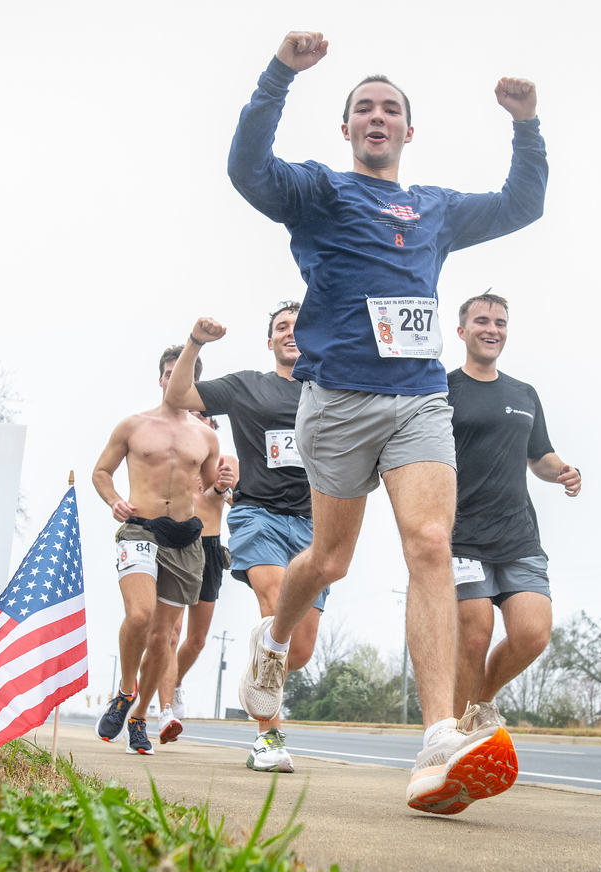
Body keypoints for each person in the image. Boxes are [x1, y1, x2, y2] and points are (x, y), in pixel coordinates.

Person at [227, 30, 548, 814]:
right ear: (346, 129)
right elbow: (247, 169)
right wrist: (279, 76)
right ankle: (272, 650)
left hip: (416, 400)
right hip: (337, 401)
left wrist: (527, 124)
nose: (378, 117)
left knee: (431, 543)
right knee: (328, 560)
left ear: (410, 130)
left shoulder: (435, 209)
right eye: (364, 108)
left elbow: (522, 204)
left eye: (391, 109)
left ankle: (438, 738)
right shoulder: (320, 191)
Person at [164, 303, 329, 773]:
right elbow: (178, 396)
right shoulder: (246, 386)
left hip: (316, 524)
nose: (291, 334)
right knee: (275, 605)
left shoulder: (334, 390)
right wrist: (195, 342)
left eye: (300, 326)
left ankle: (261, 664)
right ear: (270, 340)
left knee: (297, 650)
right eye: (281, 328)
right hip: (259, 515)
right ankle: (268, 737)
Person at [449, 293, 580, 741]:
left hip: (518, 536)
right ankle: (455, 743)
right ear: (462, 331)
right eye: (481, 320)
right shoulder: (442, 388)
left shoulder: (524, 394)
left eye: (500, 322)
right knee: (474, 636)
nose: (492, 329)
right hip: (462, 536)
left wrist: (563, 471)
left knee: (532, 635)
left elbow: (539, 455)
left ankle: (477, 705)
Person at [92, 346, 221, 755]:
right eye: (167, 373)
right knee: (140, 616)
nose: (173, 379)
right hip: (140, 530)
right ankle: (125, 691)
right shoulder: (133, 425)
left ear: (191, 383)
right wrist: (113, 499)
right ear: (161, 378)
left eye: (180, 374)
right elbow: (101, 472)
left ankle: (138, 718)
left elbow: (214, 487)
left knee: (164, 638)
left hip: (185, 540)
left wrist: (226, 483)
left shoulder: (206, 436)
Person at [156, 414, 239, 744]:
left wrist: (223, 487)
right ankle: (165, 711)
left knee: (197, 640)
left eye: (205, 418)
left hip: (210, 550)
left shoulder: (225, 460)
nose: (199, 422)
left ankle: (174, 684)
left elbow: (237, 499)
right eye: (194, 417)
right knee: (171, 634)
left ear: (213, 426)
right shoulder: (174, 458)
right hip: (177, 545)